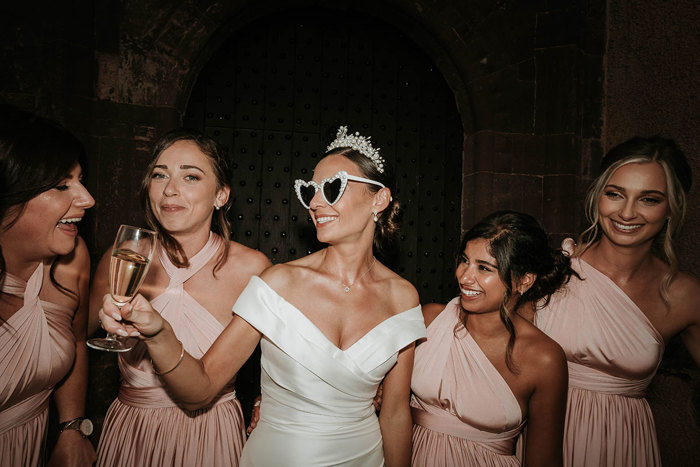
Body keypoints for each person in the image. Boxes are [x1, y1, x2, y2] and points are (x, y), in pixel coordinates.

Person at [99, 125, 426, 466]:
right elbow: (201, 388)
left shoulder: (402, 297)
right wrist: (157, 330)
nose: (315, 203)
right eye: (308, 191)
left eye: (333, 188)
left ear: (379, 198)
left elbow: (395, 415)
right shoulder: (278, 283)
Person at [90, 130, 270, 466]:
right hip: (133, 432)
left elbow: (285, 356)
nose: (170, 189)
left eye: (190, 176)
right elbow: (70, 338)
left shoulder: (253, 270)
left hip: (209, 431)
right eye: (160, 175)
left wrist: (267, 399)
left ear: (221, 195)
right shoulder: (122, 257)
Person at [534, 136, 700, 466]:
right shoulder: (550, 269)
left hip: (620, 446)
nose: (626, 212)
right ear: (598, 196)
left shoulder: (685, 295)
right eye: (615, 194)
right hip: (538, 437)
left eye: (649, 200)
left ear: (671, 209)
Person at [411, 210, 571, 466]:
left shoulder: (544, 358)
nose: (464, 277)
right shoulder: (430, 319)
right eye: (464, 260)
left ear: (524, 280)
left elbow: (545, 459)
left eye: (483, 268)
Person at [0, 104, 96, 466]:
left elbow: (75, 340)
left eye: (80, 180)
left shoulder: (72, 259)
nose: (87, 199)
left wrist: (71, 427)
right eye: (61, 185)